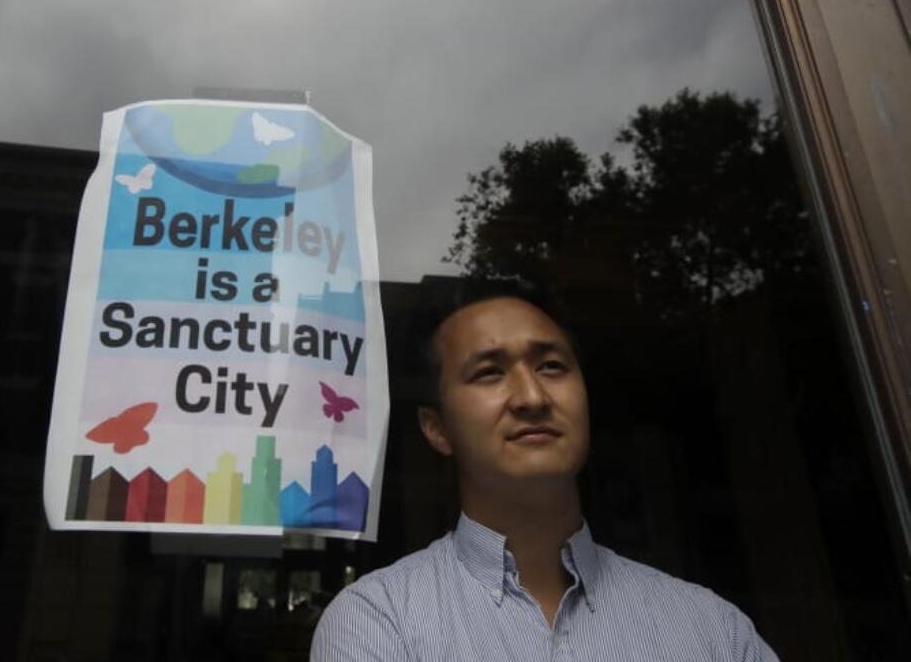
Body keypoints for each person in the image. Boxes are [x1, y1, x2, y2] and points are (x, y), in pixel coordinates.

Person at [311, 277, 778, 661]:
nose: (533, 398)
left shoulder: (712, 631)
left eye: (552, 366)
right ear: (437, 429)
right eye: (489, 373)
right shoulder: (377, 621)